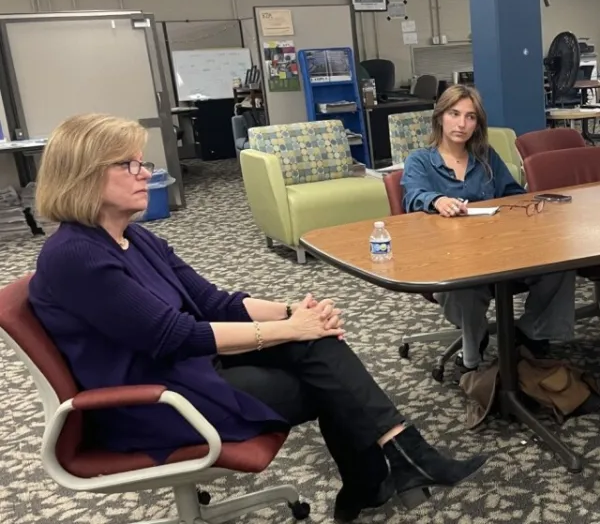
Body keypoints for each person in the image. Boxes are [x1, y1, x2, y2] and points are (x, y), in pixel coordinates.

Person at [28, 114, 487, 523]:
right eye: (129, 165)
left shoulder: (135, 238)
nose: (146, 174)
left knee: (319, 344)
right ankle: (389, 466)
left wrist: (296, 313)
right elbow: (174, 336)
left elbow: (214, 302)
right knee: (326, 380)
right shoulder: (75, 256)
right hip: (154, 401)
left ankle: (388, 465)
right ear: (84, 176)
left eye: (142, 163)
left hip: (192, 371)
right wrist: (290, 329)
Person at [401, 85, 576, 378]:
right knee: (461, 288)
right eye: (454, 114)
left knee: (559, 265)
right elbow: (413, 196)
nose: (461, 124)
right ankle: (475, 341)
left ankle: (532, 333)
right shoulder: (420, 160)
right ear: (440, 117)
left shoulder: (486, 156)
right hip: (452, 257)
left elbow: (511, 194)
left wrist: (528, 201)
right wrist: (437, 200)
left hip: (501, 249)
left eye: (470, 117)